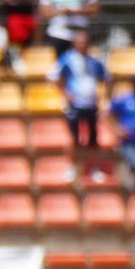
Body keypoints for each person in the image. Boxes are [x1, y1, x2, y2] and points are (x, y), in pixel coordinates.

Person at [51, 28, 107, 180]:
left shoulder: (95, 61)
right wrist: (66, 93)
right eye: (80, 42)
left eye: (85, 42)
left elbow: (105, 79)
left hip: (91, 104)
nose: (83, 45)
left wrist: (102, 97)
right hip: (75, 104)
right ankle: (74, 167)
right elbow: (54, 77)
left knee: (93, 139)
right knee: (75, 138)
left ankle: (94, 168)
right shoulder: (67, 59)